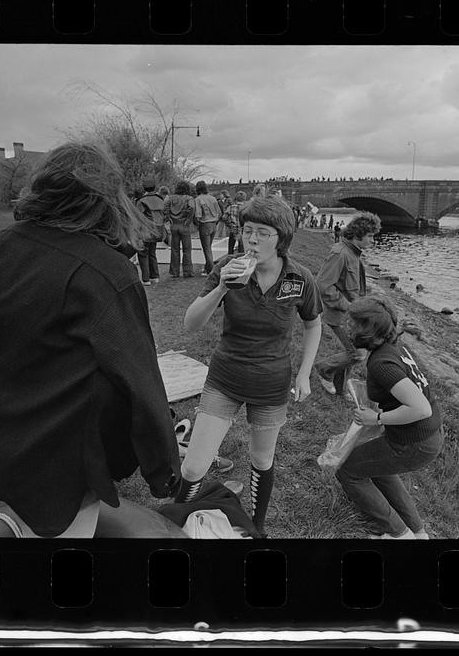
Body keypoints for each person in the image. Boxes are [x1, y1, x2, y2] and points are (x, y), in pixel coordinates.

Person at [0, 139, 180, 538]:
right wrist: (163, 469)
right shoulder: (104, 275)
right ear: (107, 198)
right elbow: (140, 380)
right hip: (65, 454)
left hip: (2, 436)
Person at [176, 195, 323, 536]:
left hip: (270, 384)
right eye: (247, 230)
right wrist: (222, 288)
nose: (252, 240)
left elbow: (313, 323)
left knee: (261, 460)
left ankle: (256, 529)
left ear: (281, 239)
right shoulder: (228, 266)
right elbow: (190, 324)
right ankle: (175, 521)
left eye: (262, 233)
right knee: (194, 466)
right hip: (225, 377)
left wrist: (304, 374)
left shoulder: (299, 278)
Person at [336, 295, 442, 539]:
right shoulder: (394, 346)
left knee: (348, 470)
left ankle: (398, 534)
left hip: (415, 442)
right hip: (426, 436)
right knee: (378, 467)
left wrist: (377, 418)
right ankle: (418, 532)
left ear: (370, 332)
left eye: (354, 324)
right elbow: (400, 388)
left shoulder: (381, 363)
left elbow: (420, 408)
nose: (348, 327)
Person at [314, 211, 381, 398]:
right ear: (358, 234)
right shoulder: (340, 254)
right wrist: (347, 306)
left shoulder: (353, 253)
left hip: (352, 315)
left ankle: (340, 389)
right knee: (357, 354)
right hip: (341, 315)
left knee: (353, 352)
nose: (372, 241)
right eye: (370, 236)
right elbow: (323, 285)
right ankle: (323, 369)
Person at [135, 177, 166, 286]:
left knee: (143, 254)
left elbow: (138, 217)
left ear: (144, 188)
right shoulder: (160, 199)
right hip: (158, 230)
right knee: (152, 253)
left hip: (145, 231)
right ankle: (155, 276)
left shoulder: (141, 201)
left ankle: (146, 279)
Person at [164, 180, 195, 278]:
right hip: (184, 225)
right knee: (187, 250)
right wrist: (188, 220)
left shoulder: (170, 198)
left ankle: (174, 272)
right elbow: (192, 208)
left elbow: (165, 208)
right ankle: (187, 272)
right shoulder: (189, 198)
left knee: (174, 250)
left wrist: (169, 218)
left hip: (174, 225)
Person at [193, 180, 221, 276]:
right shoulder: (213, 198)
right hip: (214, 224)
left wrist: (197, 224)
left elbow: (198, 215)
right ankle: (207, 268)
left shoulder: (198, 199)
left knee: (206, 249)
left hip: (205, 224)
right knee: (209, 247)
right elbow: (219, 213)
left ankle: (211, 271)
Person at [226, 190, 246, 255]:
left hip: (233, 228)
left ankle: (229, 258)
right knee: (241, 248)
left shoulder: (231, 207)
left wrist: (229, 224)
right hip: (243, 229)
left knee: (231, 247)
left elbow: (224, 217)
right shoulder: (246, 207)